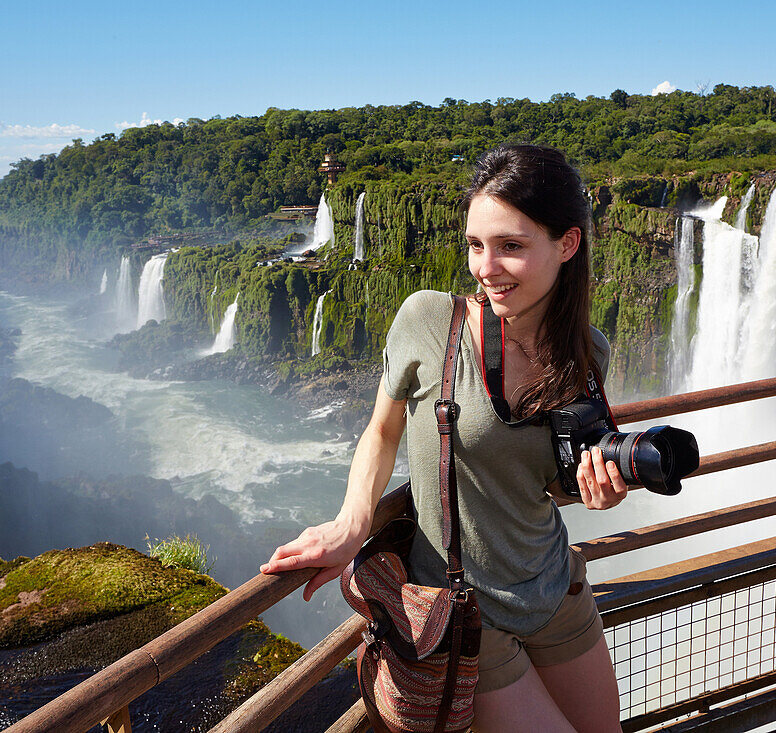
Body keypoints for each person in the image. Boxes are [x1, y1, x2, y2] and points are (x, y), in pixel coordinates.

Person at [261, 144, 627, 732]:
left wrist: (593, 490)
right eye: (476, 245)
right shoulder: (430, 322)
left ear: (567, 244)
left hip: (556, 588)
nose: (486, 267)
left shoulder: (588, 351)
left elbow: (544, 484)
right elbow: (382, 431)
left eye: (511, 246)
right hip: (468, 614)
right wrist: (350, 525)